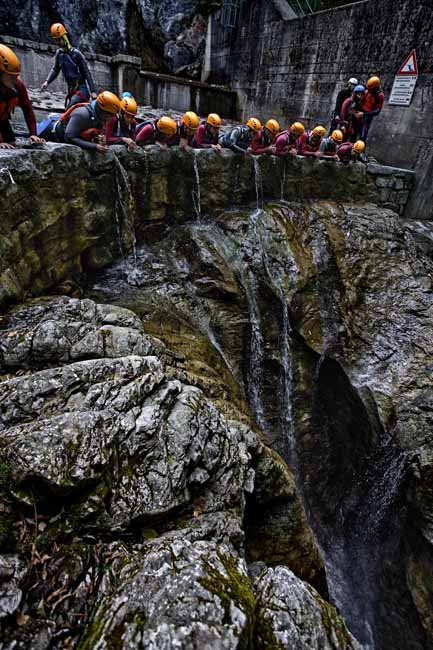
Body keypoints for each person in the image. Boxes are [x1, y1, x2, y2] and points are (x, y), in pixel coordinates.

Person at [38, 90, 120, 153]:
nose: (112, 118)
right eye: (111, 115)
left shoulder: (100, 117)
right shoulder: (82, 114)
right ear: (103, 111)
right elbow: (70, 137)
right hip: (47, 131)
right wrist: (94, 146)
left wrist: (99, 140)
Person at [41, 23, 97, 109]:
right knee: (71, 110)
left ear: (64, 37)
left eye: (59, 39)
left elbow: (86, 73)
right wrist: (47, 81)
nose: (58, 42)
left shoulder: (76, 54)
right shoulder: (59, 54)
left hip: (81, 89)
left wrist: (93, 91)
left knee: (69, 109)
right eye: (56, 40)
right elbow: (55, 69)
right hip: (71, 89)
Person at [0, 44, 44, 149]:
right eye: (11, 76)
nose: (15, 80)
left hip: (2, 119)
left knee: (11, 144)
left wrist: (33, 133)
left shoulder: (18, 86)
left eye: (16, 76)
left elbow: (27, 109)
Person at [360, 76, 385, 142]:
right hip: (360, 112)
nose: (369, 90)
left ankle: (360, 149)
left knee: (363, 134)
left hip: (367, 115)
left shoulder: (380, 95)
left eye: (370, 89)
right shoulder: (368, 90)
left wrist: (364, 114)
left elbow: (377, 111)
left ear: (375, 88)